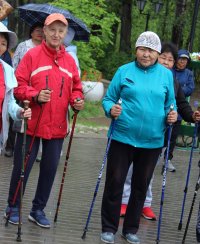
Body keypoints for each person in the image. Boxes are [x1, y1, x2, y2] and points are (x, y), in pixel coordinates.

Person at [4, 13, 84, 228]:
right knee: (23, 167)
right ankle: (12, 206)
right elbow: (18, 87)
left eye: (61, 31)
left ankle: (37, 209)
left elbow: (76, 88)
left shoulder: (70, 60)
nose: (56, 34)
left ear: (65, 34)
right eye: (52, 29)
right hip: (32, 122)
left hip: (58, 125)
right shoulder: (32, 55)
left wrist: (77, 100)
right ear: (45, 31)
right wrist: (35, 95)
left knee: (49, 169)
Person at [100, 32, 177, 244]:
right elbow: (108, 99)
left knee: (140, 185)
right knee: (115, 182)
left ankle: (130, 229)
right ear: (136, 50)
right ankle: (108, 227)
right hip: (122, 137)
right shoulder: (124, 71)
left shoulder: (165, 75)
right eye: (143, 49)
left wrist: (173, 114)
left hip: (152, 141)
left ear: (157, 53)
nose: (146, 54)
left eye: (151, 51)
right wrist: (110, 109)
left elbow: (171, 103)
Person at [121, 42, 200, 221]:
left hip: (159, 135)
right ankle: (125, 201)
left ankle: (145, 204)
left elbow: (181, 104)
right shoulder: (143, 73)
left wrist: (191, 116)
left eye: (170, 60)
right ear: (156, 56)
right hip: (134, 132)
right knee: (130, 170)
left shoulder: (172, 81)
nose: (166, 62)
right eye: (163, 57)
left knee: (146, 173)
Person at [0, 22, 31, 153]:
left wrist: (19, 112)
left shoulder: (7, 70)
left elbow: (9, 101)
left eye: (3, 43)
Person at [165, 49, 195, 172]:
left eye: (185, 60)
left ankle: (168, 159)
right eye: (180, 59)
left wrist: (179, 90)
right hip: (166, 108)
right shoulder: (169, 70)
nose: (182, 62)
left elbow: (190, 88)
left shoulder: (188, 73)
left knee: (173, 137)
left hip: (179, 110)